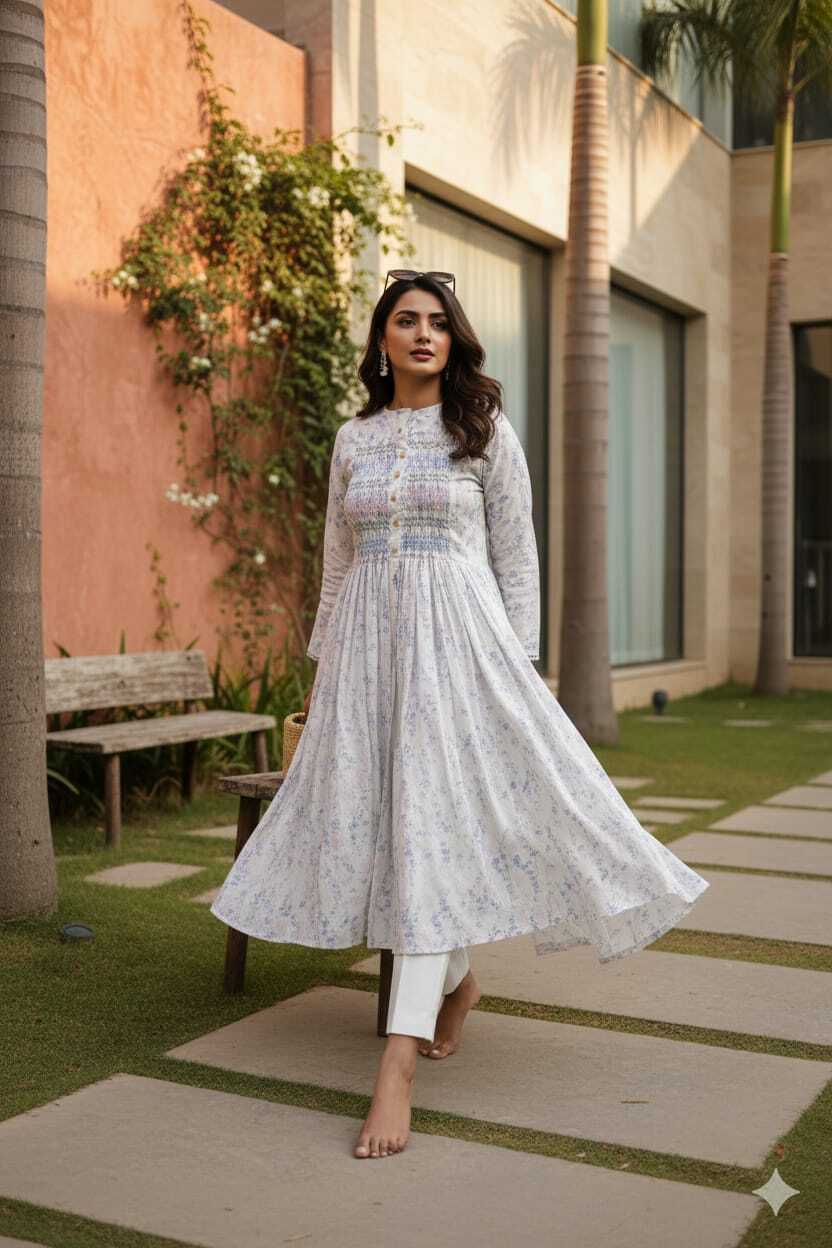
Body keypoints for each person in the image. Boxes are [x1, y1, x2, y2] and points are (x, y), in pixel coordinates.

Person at [210, 270, 710, 1160]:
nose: (424, 335)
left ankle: (396, 1067)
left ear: (456, 339)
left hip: (464, 657)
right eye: (406, 321)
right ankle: (460, 981)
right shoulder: (353, 439)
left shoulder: (483, 433)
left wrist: (518, 673)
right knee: (400, 841)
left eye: (439, 323)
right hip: (370, 662)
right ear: (382, 341)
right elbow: (333, 567)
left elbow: (518, 559)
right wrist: (323, 680)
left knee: (433, 835)